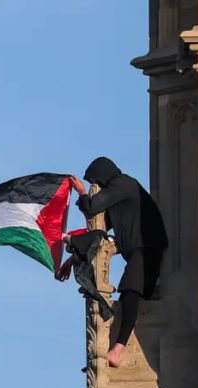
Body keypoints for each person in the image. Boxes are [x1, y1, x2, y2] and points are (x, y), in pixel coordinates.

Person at [56, 156, 167, 367]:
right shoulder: (120, 195)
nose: (94, 187)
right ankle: (120, 346)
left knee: (130, 292)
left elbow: (92, 207)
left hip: (147, 247)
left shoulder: (123, 184)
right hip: (140, 248)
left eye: (94, 181)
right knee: (132, 292)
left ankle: (118, 349)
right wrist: (71, 259)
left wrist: (81, 192)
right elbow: (99, 233)